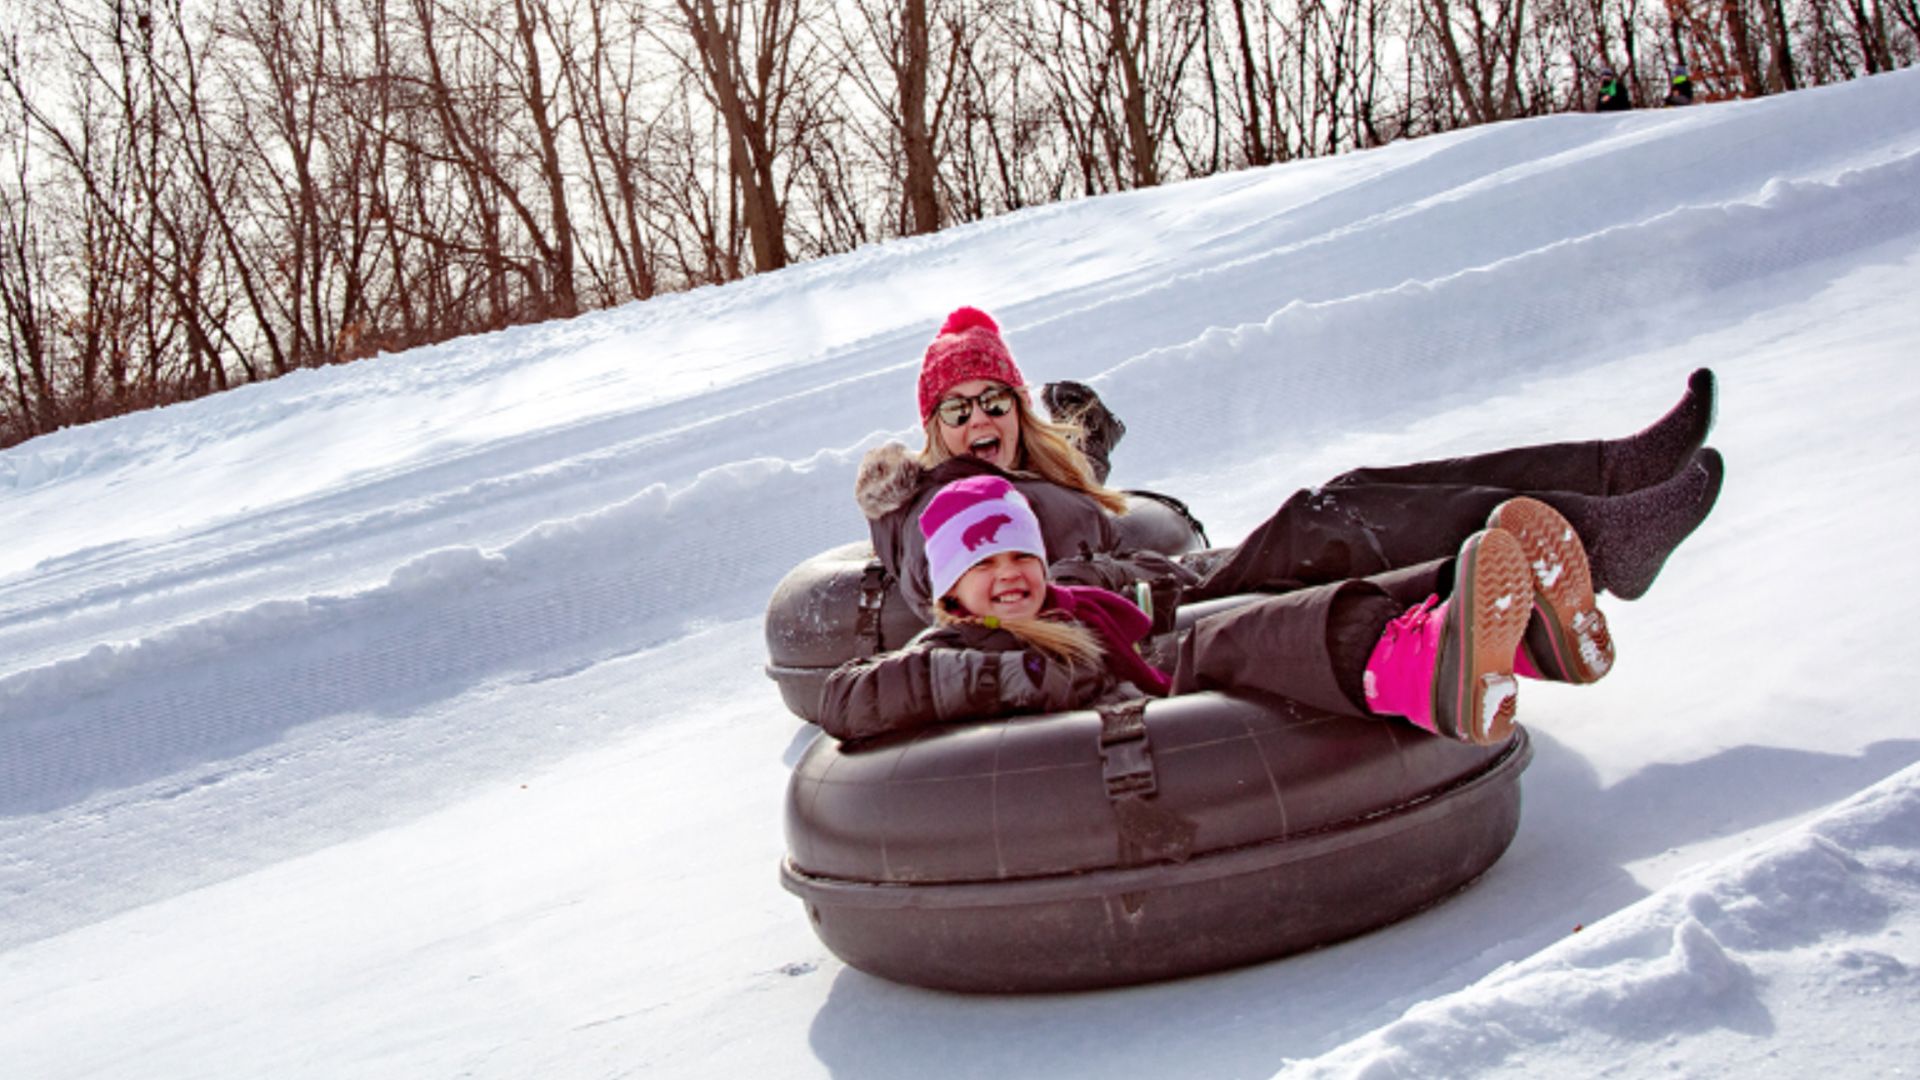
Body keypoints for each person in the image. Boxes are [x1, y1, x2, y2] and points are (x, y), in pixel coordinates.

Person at [858, 306, 1724, 632]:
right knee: (1319, 523)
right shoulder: (934, 501)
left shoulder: (1028, 475)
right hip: (1146, 607)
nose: (980, 419)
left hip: (1161, 575)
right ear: (933, 428)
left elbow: (1067, 501)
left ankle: (1610, 471)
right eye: (957, 408)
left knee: (1343, 490)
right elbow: (930, 585)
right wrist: (1101, 582)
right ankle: (1602, 541)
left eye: (994, 398)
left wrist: (1088, 434)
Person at [821, 475, 1615, 747]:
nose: (1009, 576)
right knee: (1250, 637)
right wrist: (1001, 680)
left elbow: (1134, 622)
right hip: (1128, 725)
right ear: (948, 590)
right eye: (983, 564)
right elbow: (845, 697)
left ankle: (1521, 625)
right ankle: (1417, 668)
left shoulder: (1068, 605)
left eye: (1021, 556)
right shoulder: (947, 646)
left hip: (1146, 685)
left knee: (1274, 605)